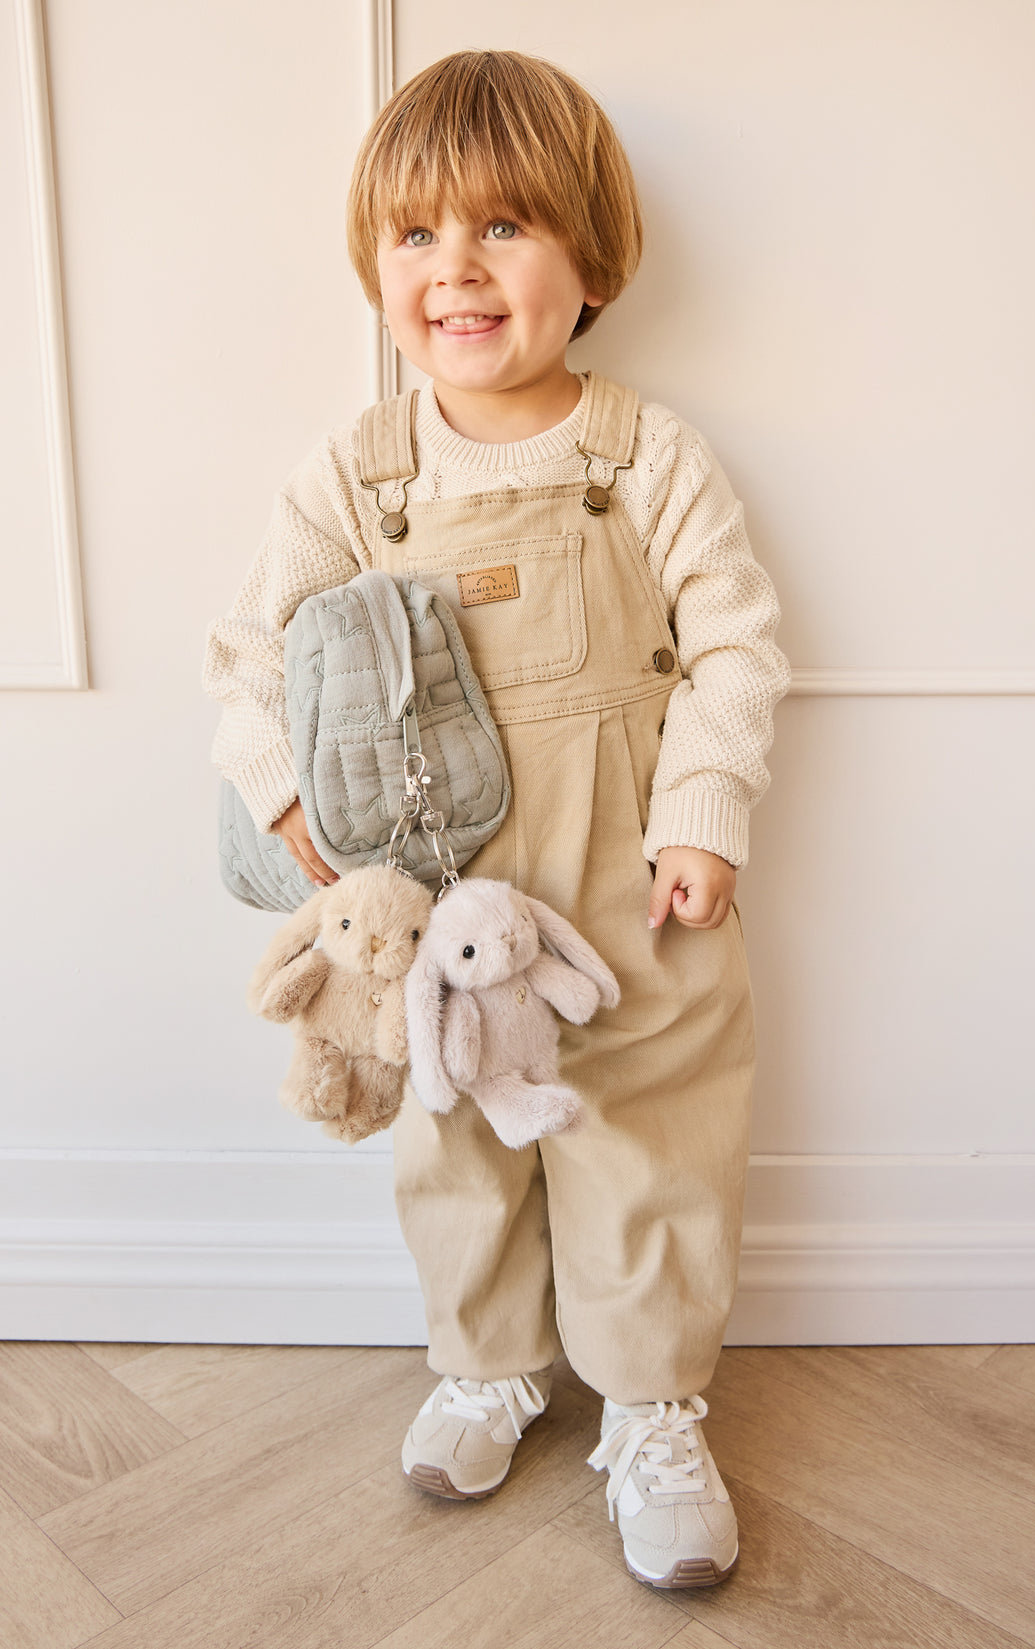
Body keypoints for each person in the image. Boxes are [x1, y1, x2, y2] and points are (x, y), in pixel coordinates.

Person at [203, 48, 790, 1590]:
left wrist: (705, 809)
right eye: (418, 236)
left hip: (626, 888)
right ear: (377, 269)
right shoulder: (361, 473)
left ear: (591, 258)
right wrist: (282, 791)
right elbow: (248, 652)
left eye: (504, 228)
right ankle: (485, 1364)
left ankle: (652, 1408)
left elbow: (734, 638)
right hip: (435, 898)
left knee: (653, 1128)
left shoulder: (643, 457)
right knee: (453, 1135)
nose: (456, 268)